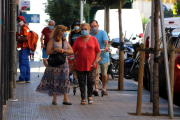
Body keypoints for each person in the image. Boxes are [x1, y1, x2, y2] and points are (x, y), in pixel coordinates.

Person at [36, 25, 74, 105]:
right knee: (55, 79)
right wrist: (55, 49)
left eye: (65, 31)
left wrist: (64, 51)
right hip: (54, 63)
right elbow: (48, 52)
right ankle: (54, 99)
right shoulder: (52, 40)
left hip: (63, 63)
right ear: (58, 32)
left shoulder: (65, 41)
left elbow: (72, 51)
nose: (64, 33)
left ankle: (66, 99)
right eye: (63, 31)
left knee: (65, 80)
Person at [72, 23, 101, 105]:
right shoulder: (77, 39)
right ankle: (83, 97)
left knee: (91, 80)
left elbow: (98, 51)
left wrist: (96, 60)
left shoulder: (93, 39)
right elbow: (73, 50)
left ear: (89, 30)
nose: (84, 31)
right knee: (81, 82)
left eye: (86, 29)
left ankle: (89, 96)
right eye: (82, 29)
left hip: (92, 64)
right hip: (80, 64)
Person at [90, 20, 109, 96]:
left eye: (95, 26)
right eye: (92, 26)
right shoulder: (90, 34)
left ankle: (104, 88)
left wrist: (106, 46)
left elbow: (106, 41)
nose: (93, 28)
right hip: (94, 57)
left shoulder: (103, 33)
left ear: (98, 26)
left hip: (103, 55)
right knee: (96, 73)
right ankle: (96, 89)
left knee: (104, 74)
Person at [16, 16, 31, 83]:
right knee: (26, 63)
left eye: (19, 20)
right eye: (18, 21)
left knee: (23, 63)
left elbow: (26, 38)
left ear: (22, 20)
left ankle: (22, 79)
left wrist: (18, 39)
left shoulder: (24, 28)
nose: (19, 22)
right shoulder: (26, 27)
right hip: (26, 47)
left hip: (24, 47)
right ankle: (27, 78)